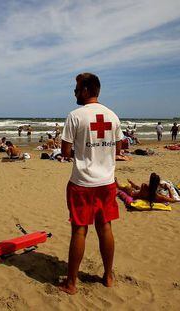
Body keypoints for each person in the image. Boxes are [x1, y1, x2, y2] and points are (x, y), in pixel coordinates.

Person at [58, 73, 122, 295]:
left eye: (76, 89)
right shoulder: (112, 116)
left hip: (82, 182)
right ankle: (108, 276)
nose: (74, 92)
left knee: (80, 229)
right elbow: (119, 149)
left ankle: (72, 283)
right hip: (107, 181)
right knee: (105, 227)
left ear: (86, 90)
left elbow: (65, 152)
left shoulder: (75, 116)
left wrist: (84, 151)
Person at [116, 173, 180, 204]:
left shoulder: (145, 186)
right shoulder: (157, 195)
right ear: (157, 184)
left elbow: (140, 193)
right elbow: (173, 200)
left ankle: (119, 185)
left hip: (133, 193)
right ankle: (131, 183)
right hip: (139, 192)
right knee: (137, 187)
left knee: (124, 187)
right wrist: (168, 188)